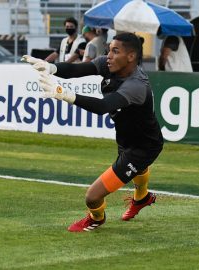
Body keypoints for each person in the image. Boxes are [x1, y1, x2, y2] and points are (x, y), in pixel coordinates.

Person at [23, 32, 164, 232]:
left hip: (144, 147)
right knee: (137, 169)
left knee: (92, 196)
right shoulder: (108, 65)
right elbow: (75, 69)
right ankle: (142, 198)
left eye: (115, 51)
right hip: (127, 138)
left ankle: (96, 218)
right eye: (109, 50)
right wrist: (50, 67)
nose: (109, 55)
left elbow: (103, 106)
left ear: (131, 56)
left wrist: (65, 94)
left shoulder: (136, 85)